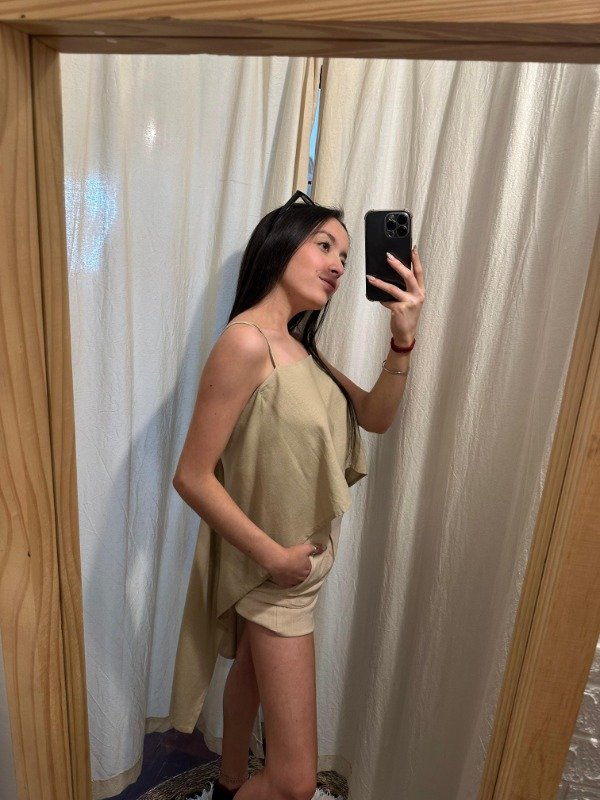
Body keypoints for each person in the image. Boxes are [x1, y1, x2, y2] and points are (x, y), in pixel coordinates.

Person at [172, 190, 425, 800]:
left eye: (345, 255)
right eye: (324, 245)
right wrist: (275, 558)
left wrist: (403, 339)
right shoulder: (246, 343)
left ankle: (231, 781)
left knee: (250, 677)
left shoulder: (298, 346)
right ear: (279, 245)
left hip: (294, 570)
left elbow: (374, 416)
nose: (338, 265)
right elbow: (192, 475)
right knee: (294, 782)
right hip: (277, 576)